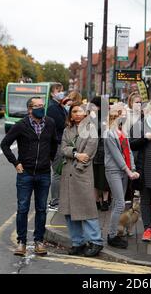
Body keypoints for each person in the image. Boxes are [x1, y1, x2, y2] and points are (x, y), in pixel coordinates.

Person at [0, 97, 58, 256]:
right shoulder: (21, 125)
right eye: (37, 106)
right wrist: (16, 163)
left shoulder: (50, 123)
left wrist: (51, 159)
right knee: (23, 208)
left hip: (44, 173)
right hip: (25, 173)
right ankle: (22, 242)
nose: (41, 108)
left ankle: (39, 241)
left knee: (41, 209)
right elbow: (4, 144)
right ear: (30, 109)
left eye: (42, 105)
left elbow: (54, 143)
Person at [59, 102, 104, 257]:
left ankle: (96, 241)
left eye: (80, 111)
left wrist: (78, 162)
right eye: (74, 111)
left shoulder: (90, 128)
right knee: (69, 211)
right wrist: (76, 154)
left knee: (87, 209)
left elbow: (89, 152)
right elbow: (63, 148)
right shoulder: (67, 130)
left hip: (82, 172)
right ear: (70, 114)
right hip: (67, 174)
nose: (77, 114)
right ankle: (78, 242)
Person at [104, 103, 140, 249]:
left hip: (124, 171)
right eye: (124, 113)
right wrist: (128, 171)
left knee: (117, 203)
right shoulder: (109, 133)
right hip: (114, 170)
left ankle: (115, 233)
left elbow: (129, 152)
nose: (126, 116)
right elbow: (117, 156)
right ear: (116, 114)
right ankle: (112, 236)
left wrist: (133, 168)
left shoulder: (122, 131)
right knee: (119, 204)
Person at [130, 100, 151, 242]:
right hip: (146, 167)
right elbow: (132, 145)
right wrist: (145, 138)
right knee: (145, 200)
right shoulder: (139, 125)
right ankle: (147, 229)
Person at [47, 86, 68, 211]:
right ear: (52, 93)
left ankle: (58, 200)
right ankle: (54, 202)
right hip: (57, 143)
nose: (61, 93)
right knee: (57, 173)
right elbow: (61, 124)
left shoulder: (59, 106)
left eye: (61, 90)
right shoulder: (52, 108)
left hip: (62, 142)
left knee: (60, 173)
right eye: (58, 91)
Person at [90, 96, 110, 212]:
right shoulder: (98, 118)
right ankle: (100, 201)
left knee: (100, 177)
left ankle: (102, 201)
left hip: (100, 151)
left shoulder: (101, 118)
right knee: (98, 177)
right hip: (98, 152)